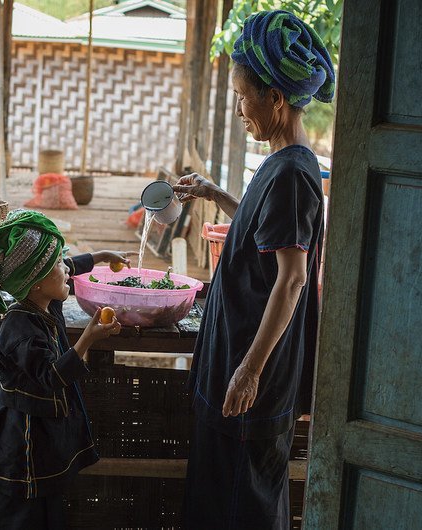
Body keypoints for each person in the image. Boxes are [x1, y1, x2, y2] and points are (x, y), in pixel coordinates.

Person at [172, 9, 335, 529]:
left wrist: (249, 370)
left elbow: (291, 280)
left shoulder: (291, 174)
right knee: (224, 496)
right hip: (237, 360)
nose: (240, 109)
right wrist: (213, 192)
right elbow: (260, 232)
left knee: (244, 507)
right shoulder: (282, 161)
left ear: (277, 98)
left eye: (244, 96)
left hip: (253, 374)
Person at [0, 209, 128, 530]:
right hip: (23, 443)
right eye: (58, 263)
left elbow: (67, 268)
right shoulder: (20, 329)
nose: (67, 270)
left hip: (45, 437)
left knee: (49, 509)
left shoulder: (42, 300)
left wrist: (99, 256)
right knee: (22, 514)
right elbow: (52, 378)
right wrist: (88, 338)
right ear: (37, 284)